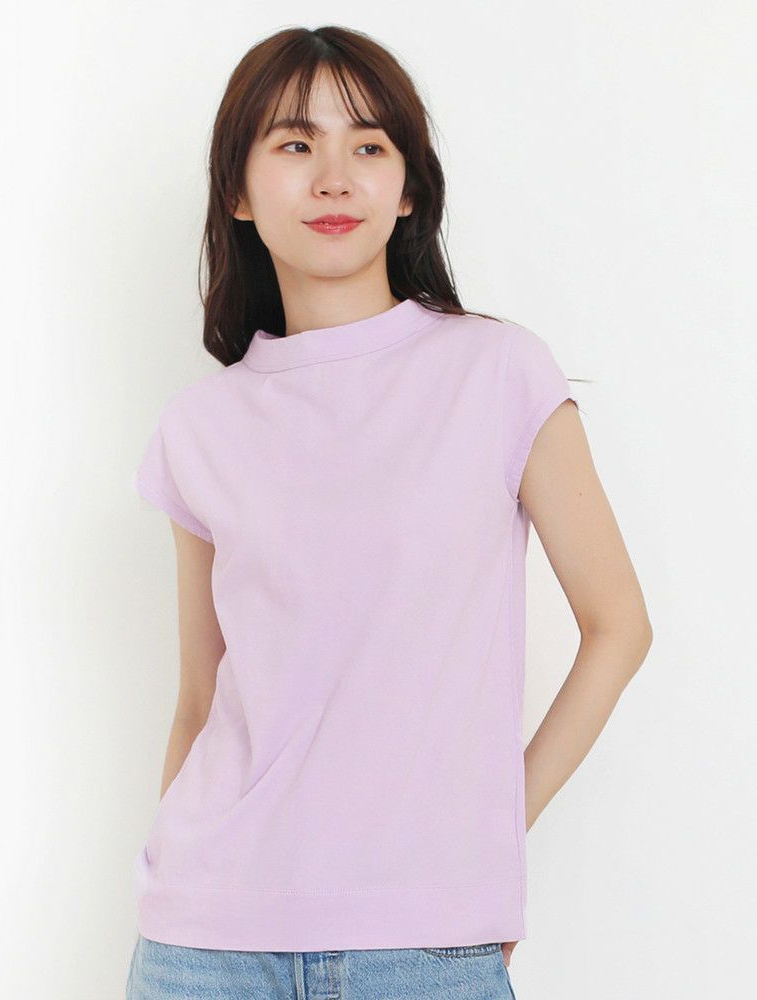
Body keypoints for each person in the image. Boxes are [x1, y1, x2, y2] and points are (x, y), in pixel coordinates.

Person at [126, 24, 653, 1000]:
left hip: (422, 947)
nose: (334, 178)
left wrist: (490, 842)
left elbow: (618, 627)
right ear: (236, 190)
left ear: (407, 188)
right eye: (295, 143)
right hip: (203, 945)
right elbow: (200, 699)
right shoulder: (199, 426)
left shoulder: (498, 373)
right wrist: (170, 882)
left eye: (368, 145)